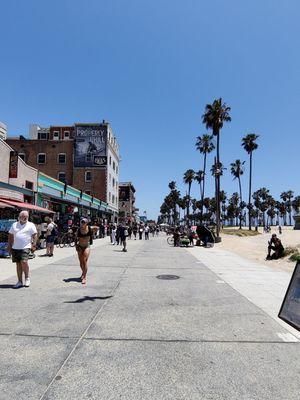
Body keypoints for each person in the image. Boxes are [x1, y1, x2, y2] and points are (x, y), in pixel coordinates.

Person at [7, 210, 37, 288]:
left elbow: (35, 235)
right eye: (23, 216)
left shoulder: (31, 225)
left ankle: (27, 278)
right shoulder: (14, 225)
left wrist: (34, 244)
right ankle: (19, 281)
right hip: (15, 247)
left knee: (24, 262)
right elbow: (10, 236)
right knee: (18, 264)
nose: (25, 218)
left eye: (26, 216)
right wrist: (9, 246)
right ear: (19, 217)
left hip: (25, 247)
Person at [75, 218, 93, 284]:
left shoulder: (90, 229)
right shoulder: (78, 230)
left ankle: (84, 277)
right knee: (81, 262)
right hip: (80, 246)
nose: (82, 223)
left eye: (84, 222)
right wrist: (76, 246)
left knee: (84, 260)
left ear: (86, 223)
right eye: (81, 222)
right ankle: (83, 273)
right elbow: (75, 238)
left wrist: (95, 230)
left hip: (86, 246)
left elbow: (97, 228)